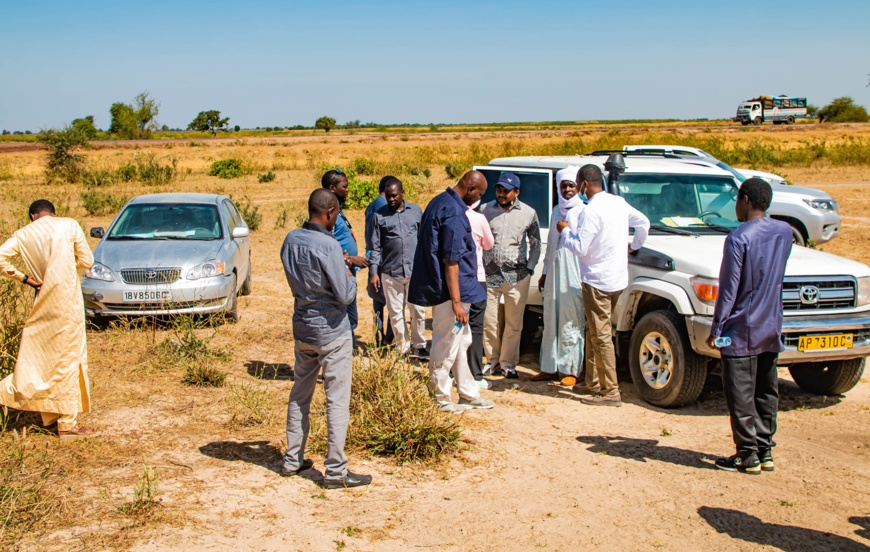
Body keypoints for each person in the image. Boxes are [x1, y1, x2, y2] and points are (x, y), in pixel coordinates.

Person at [280, 188, 372, 489]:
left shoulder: (291, 239)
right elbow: (345, 295)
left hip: (303, 328)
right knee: (337, 399)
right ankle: (335, 471)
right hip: (332, 331)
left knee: (300, 393)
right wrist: (346, 268)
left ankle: (292, 459)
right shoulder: (329, 245)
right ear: (330, 213)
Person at [705, 178, 792, 475]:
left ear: (744, 200)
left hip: (741, 328)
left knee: (740, 392)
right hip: (771, 322)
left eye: (737, 200)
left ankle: (747, 455)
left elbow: (729, 290)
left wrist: (717, 329)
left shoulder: (739, 237)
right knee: (767, 390)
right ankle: (765, 450)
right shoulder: (784, 231)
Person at [0, 200, 96, 438]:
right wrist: (65, 265)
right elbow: (87, 261)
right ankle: (67, 423)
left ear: (33, 216)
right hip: (67, 300)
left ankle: (51, 415)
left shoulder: (23, 234)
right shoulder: (69, 224)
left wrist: (26, 279)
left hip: (42, 299)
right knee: (68, 359)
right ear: (54, 213)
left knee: (42, 357)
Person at [558, 164, 650, 407]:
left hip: (597, 281)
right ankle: (593, 381)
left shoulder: (591, 211)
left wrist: (565, 232)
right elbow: (644, 223)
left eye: (577, 185)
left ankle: (610, 391)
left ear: (584, 185)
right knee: (595, 329)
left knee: (601, 335)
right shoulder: (618, 203)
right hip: (618, 279)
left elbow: (580, 248)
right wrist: (634, 246)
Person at [409, 171, 495, 413]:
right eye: (479, 194)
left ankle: (468, 392)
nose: (478, 200)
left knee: (462, 340)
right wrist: (456, 302)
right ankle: (439, 397)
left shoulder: (439, 201)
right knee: (446, 342)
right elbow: (451, 260)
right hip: (451, 292)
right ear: (470, 189)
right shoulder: (455, 212)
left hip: (457, 289)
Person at [481, 173, 541, 380]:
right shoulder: (485, 210)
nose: (501, 194)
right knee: (490, 320)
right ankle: (491, 360)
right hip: (491, 274)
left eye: (506, 191)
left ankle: (508, 364)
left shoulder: (529, 213)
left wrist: (530, 269)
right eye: (499, 190)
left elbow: (535, 244)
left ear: (516, 192)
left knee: (514, 322)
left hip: (517, 276)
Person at [534, 166, 586, 387]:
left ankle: (570, 369)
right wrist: (544, 272)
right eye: (563, 186)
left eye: (571, 186)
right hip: (554, 271)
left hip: (573, 273)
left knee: (570, 319)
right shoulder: (556, 210)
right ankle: (549, 366)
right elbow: (552, 246)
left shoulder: (584, 211)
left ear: (578, 187)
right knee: (550, 319)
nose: (567, 190)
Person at [369, 179, 427, 358]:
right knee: (395, 313)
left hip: (414, 272)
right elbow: (375, 247)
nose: (391, 199)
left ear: (402, 192)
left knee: (418, 310)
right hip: (390, 273)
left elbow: (423, 239)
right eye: (388, 196)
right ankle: (403, 347)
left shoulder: (416, 211)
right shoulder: (379, 215)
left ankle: (419, 345)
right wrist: (373, 272)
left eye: (394, 195)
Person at [322, 169, 368, 346]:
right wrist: (349, 259)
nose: (348, 190)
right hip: (339, 273)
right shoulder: (328, 212)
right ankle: (344, 349)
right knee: (344, 313)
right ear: (332, 188)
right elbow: (327, 247)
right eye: (345, 186)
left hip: (347, 272)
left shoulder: (337, 210)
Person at [465, 197, 494, 389]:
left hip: (454, 279)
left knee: (455, 328)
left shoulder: (448, 215)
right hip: (477, 276)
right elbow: (488, 244)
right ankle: (475, 375)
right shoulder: (479, 218)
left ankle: (451, 373)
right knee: (476, 327)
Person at [364, 177, 395, 348]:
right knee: (392, 301)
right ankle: (388, 338)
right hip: (383, 257)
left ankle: (378, 338)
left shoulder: (371, 204)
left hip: (372, 256)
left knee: (377, 304)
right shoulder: (383, 204)